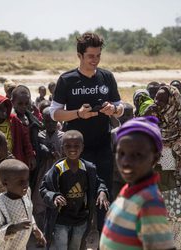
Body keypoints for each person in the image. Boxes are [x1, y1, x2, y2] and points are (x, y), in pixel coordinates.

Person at [50, 32, 123, 230]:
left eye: (98, 55)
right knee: (75, 195)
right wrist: (78, 114)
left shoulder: (107, 77)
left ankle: (103, 236)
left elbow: (120, 106)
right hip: (75, 150)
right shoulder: (67, 80)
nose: (95, 60)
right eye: (90, 56)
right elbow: (54, 114)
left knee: (104, 192)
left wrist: (113, 110)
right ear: (79, 55)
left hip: (102, 146)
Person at [100, 116, 175, 250]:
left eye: (137, 155)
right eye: (121, 153)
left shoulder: (149, 202)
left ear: (155, 158)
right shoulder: (129, 189)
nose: (126, 162)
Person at [40, 130, 109, 250]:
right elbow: (44, 188)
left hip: (80, 218)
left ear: (82, 147)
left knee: (76, 246)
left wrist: (102, 192)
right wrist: (54, 196)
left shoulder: (88, 168)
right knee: (61, 246)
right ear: (62, 148)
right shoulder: (57, 169)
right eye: (68, 146)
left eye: (76, 146)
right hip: (60, 219)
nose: (72, 149)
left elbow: (99, 183)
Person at [153, 85, 181, 250]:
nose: (158, 102)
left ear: (171, 100)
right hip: (157, 181)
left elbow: (178, 144)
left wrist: (161, 148)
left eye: (162, 99)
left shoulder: (180, 117)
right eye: (156, 98)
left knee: (175, 217)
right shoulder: (153, 116)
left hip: (176, 176)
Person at [0, 159, 46, 250]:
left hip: (21, 246)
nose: (25, 184)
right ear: (5, 183)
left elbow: (28, 212)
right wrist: (15, 227)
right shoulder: (1, 202)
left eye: (27, 180)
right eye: (20, 182)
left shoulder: (26, 192)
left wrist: (35, 227)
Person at [0, 93, 36, 169]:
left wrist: (30, 155)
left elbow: (25, 138)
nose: (4, 109)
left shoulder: (13, 120)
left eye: (5, 106)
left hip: (14, 163)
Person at [32, 107, 64, 231]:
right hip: (42, 173)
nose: (50, 124)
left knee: (57, 202)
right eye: (47, 121)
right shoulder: (40, 136)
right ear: (43, 121)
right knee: (39, 202)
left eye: (53, 121)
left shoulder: (63, 137)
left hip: (58, 175)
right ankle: (41, 231)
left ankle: (53, 230)